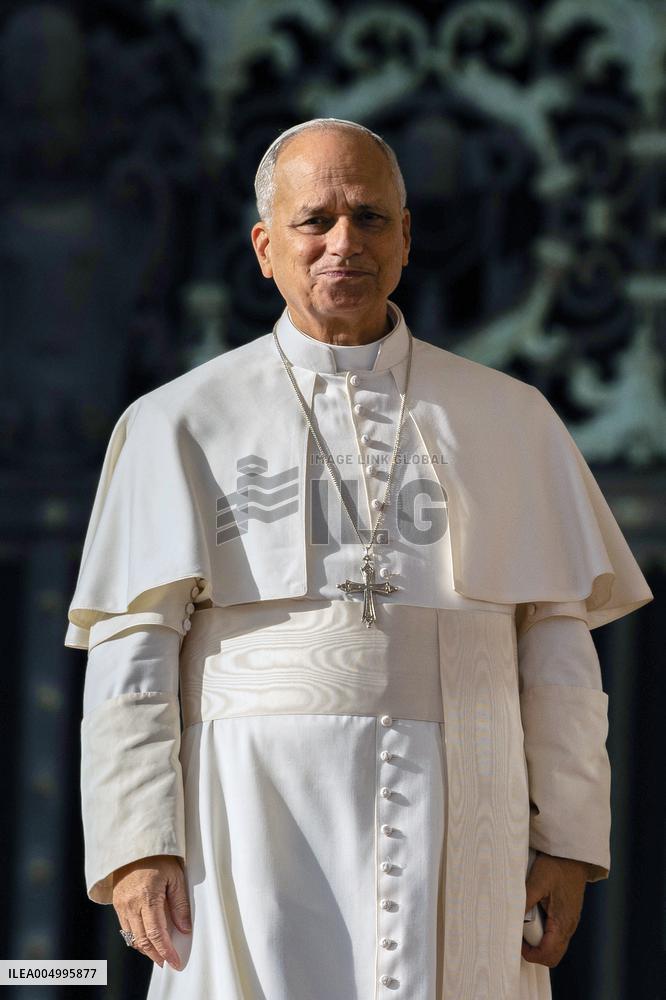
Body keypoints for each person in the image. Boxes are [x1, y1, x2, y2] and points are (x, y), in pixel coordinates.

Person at [65, 118, 653, 1000]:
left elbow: (559, 651)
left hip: (466, 809)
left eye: (372, 219)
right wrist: (141, 843)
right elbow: (134, 653)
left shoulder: (512, 418)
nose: (346, 242)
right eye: (316, 220)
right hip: (251, 816)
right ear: (266, 247)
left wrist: (568, 837)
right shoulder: (177, 421)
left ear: (407, 239)